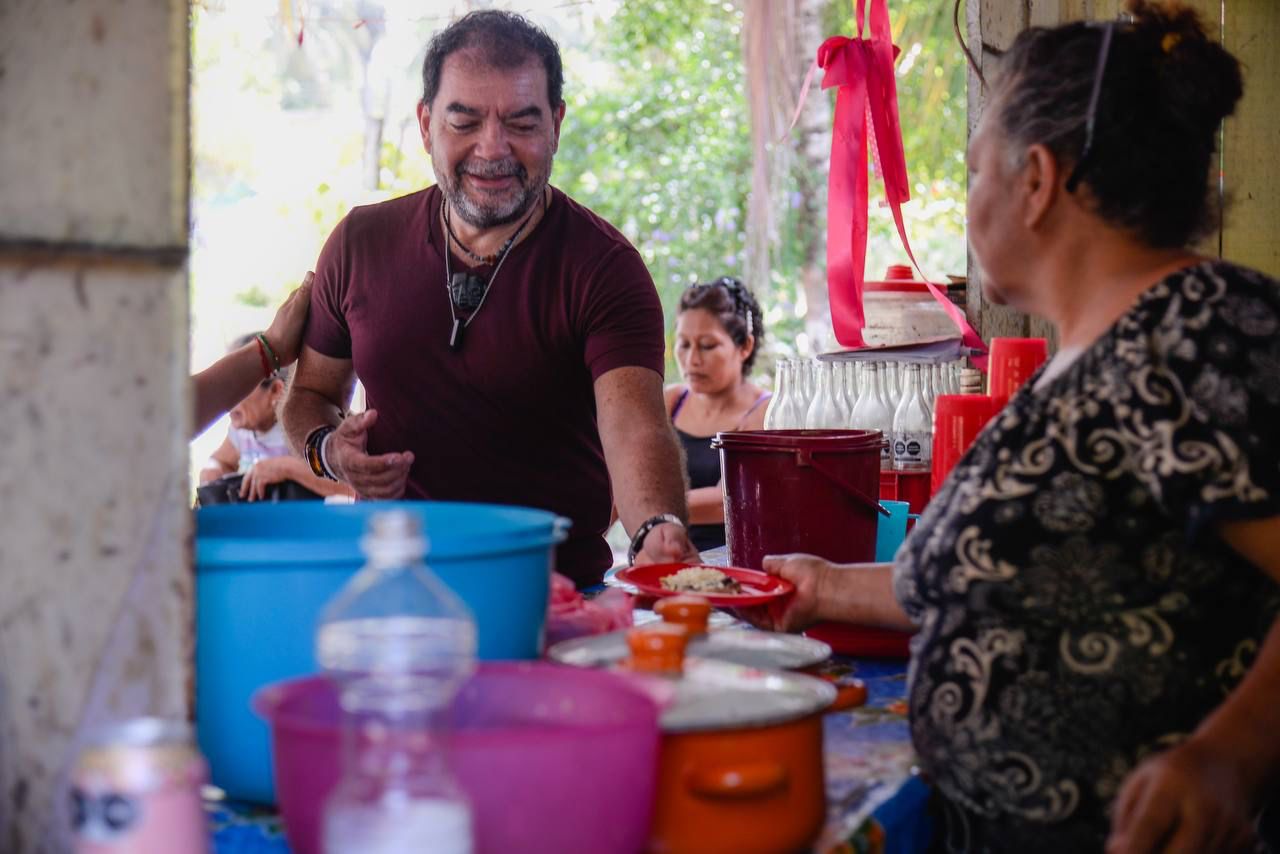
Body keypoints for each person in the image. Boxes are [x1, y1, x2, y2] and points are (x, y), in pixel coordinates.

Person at [747, 3, 1280, 851]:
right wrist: (820, 586)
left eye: (974, 170)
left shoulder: (1201, 329)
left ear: (1034, 180)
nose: (971, 197)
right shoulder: (1082, 357)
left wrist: (1230, 755)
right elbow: (1008, 574)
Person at [281, 11, 698, 587]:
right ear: (426, 124)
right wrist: (331, 452)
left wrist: (656, 529)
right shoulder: (360, 241)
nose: (492, 148)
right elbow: (310, 394)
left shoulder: (605, 267)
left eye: (521, 122)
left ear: (556, 123)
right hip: (388, 590)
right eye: (466, 121)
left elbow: (634, 426)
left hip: (552, 602)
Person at [665, 277, 770, 551]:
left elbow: (729, 499)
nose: (692, 360)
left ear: (745, 346)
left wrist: (646, 504)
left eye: (708, 345)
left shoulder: (764, 412)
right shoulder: (670, 401)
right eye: (684, 344)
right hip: (662, 559)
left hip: (733, 564)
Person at [199, 339, 354, 502]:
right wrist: (213, 471)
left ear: (275, 391)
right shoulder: (242, 432)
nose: (228, 399)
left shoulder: (299, 429)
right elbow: (221, 460)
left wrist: (286, 467)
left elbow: (349, 488)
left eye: (238, 388)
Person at [191, 273, 312, 438]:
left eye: (242, 390)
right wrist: (272, 345)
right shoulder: (241, 435)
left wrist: (273, 345)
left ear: (276, 390)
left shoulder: (289, 435)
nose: (232, 403)